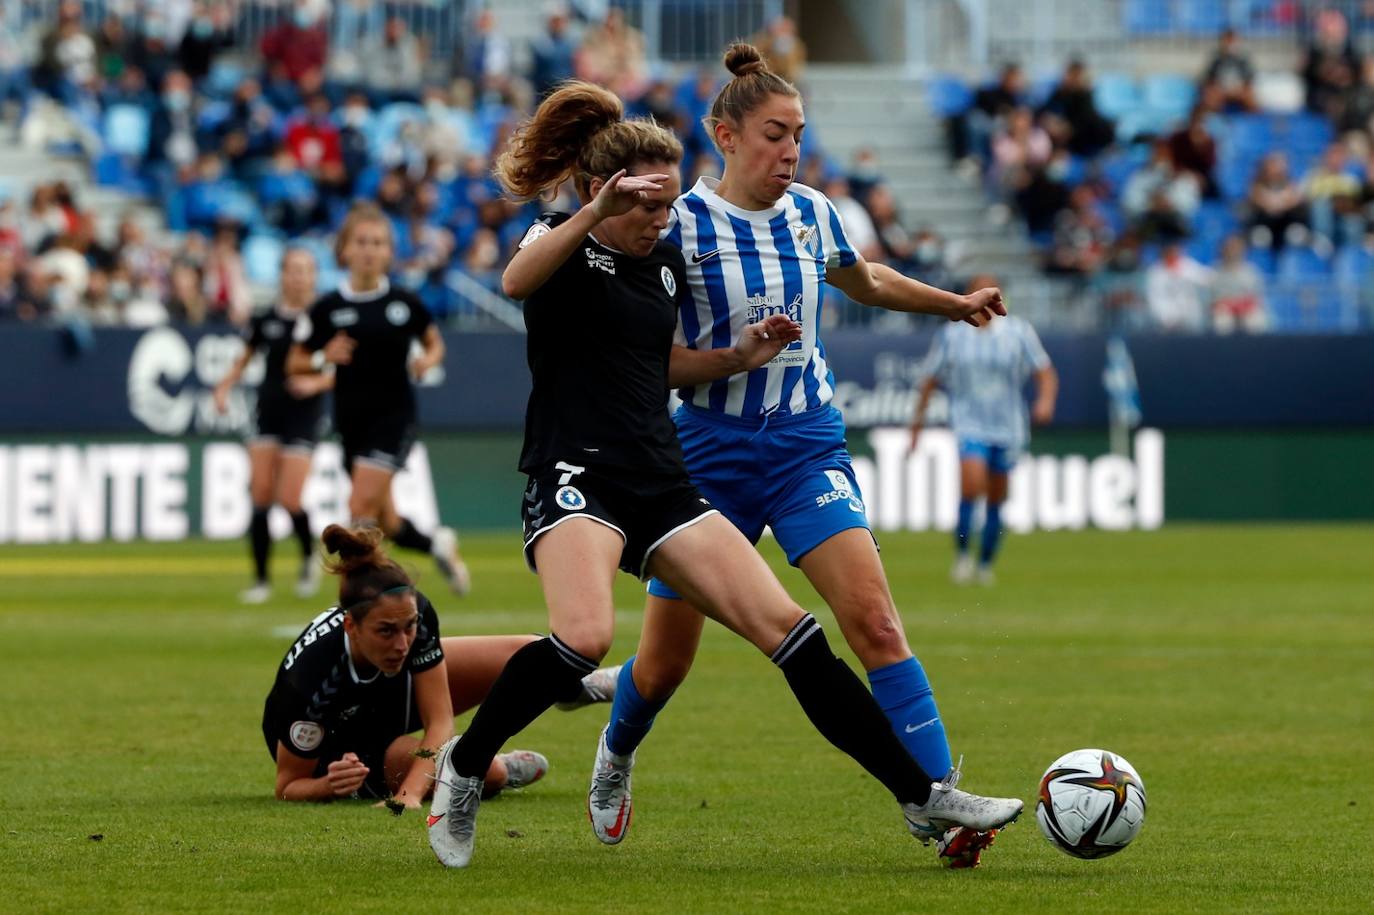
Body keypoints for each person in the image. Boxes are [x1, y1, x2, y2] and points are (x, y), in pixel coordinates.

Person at [424, 80, 1023, 870]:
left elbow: (657, 363)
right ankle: (464, 766)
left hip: (666, 477)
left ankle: (923, 794)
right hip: (579, 472)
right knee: (587, 640)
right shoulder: (564, 241)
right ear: (609, 194)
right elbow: (515, 280)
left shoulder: (669, 255)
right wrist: (596, 213)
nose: (663, 222)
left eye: (669, 205)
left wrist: (738, 357)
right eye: (648, 205)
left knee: (797, 634)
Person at [588, 44, 1015, 870]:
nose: (790, 150)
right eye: (774, 134)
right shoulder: (679, 226)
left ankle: (939, 799)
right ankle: (615, 752)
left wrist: (954, 302)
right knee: (666, 662)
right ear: (726, 135)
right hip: (705, 459)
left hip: (803, 445)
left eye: (799, 135)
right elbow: (651, 356)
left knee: (877, 621)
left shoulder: (816, 213)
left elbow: (867, 281)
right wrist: (733, 358)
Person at [263, 524, 619, 805]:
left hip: (391, 690)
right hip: (348, 745)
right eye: (386, 632)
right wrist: (328, 784)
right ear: (351, 627)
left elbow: (439, 719)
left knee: (532, 653)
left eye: (409, 627)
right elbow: (288, 785)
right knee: (486, 773)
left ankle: (572, 688)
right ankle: (506, 769)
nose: (402, 644)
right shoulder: (309, 683)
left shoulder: (409, 611)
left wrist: (412, 792)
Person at [287, 203, 470, 595]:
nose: (369, 250)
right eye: (362, 242)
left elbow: (433, 342)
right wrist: (323, 356)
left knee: (358, 508)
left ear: (389, 251)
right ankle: (438, 545)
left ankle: (362, 601)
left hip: (394, 420)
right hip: (351, 423)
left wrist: (427, 360)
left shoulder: (404, 303)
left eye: (378, 242)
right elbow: (296, 363)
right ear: (344, 250)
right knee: (389, 523)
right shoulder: (328, 309)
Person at [909, 275, 1058, 585]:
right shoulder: (952, 335)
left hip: (1009, 426)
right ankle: (963, 555)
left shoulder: (1018, 332)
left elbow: (1044, 371)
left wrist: (1045, 401)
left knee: (996, 497)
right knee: (971, 485)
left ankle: (986, 562)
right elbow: (929, 381)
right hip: (969, 423)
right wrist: (916, 428)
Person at [214, 247, 331, 603]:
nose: (298, 276)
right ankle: (261, 580)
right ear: (282, 275)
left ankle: (309, 556)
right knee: (260, 494)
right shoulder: (266, 317)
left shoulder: (325, 317)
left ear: (313, 276)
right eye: (292, 270)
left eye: (305, 270)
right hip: (268, 408)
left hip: (304, 413)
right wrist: (224, 386)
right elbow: (245, 355)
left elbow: (339, 370)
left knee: (290, 497)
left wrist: (315, 383)